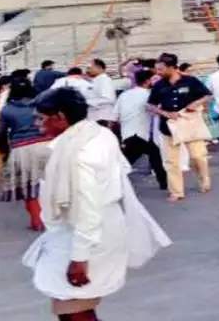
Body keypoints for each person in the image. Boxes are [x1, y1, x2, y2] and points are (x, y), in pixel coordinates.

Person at [24, 88, 170, 321]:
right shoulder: (97, 133)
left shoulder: (79, 154)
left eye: (41, 118)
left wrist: (80, 258)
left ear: (61, 117)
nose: (36, 123)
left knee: (73, 309)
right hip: (96, 228)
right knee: (75, 305)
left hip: (87, 235)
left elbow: (87, 207)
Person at [147, 53, 213, 201]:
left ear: (172, 67)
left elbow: (207, 95)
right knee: (171, 161)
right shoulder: (158, 85)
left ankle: (204, 178)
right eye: (156, 69)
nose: (158, 73)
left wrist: (195, 104)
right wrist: (164, 112)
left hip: (190, 123)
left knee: (198, 156)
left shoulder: (190, 81)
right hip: (169, 126)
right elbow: (150, 105)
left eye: (161, 69)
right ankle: (176, 191)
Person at [0, 79, 55, 231]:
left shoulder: (7, 109)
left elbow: (1, 133)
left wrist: (4, 152)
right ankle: (54, 217)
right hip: (47, 144)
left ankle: (37, 220)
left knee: (30, 187)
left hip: (22, 148)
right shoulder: (41, 104)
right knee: (50, 183)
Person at [114, 70, 167, 191]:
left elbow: (115, 115)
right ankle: (164, 183)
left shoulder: (124, 95)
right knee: (154, 156)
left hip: (127, 132)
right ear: (147, 81)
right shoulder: (149, 95)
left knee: (133, 158)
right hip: (142, 133)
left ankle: (163, 183)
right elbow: (156, 111)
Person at [85, 59, 118, 125]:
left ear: (99, 68)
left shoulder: (104, 80)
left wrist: (86, 102)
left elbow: (109, 99)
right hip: (96, 117)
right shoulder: (96, 80)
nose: (87, 71)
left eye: (90, 68)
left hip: (103, 117)